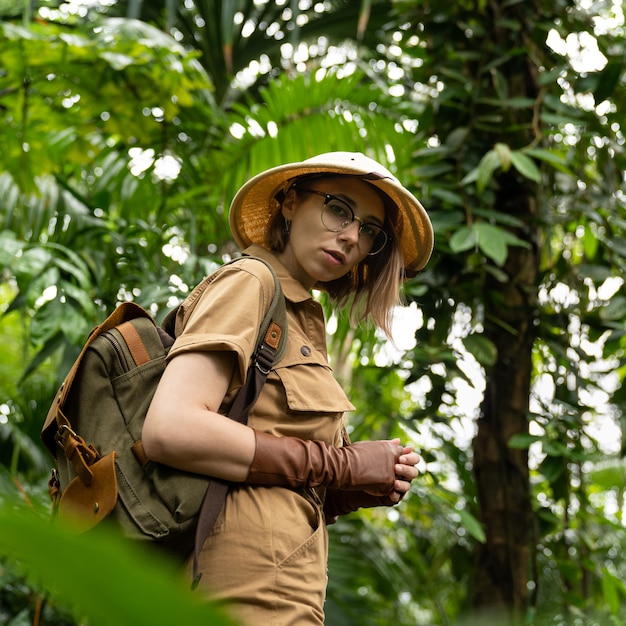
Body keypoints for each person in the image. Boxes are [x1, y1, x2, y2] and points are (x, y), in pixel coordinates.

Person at [142, 151, 434, 625]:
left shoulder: (299, 320)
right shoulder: (251, 283)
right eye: (339, 208)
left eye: (370, 232)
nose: (351, 236)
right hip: (240, 594)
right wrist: (341, 464)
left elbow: (277, 483)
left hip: (281, 594)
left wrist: (354, 485)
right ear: (291, 203)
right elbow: (171, 428)